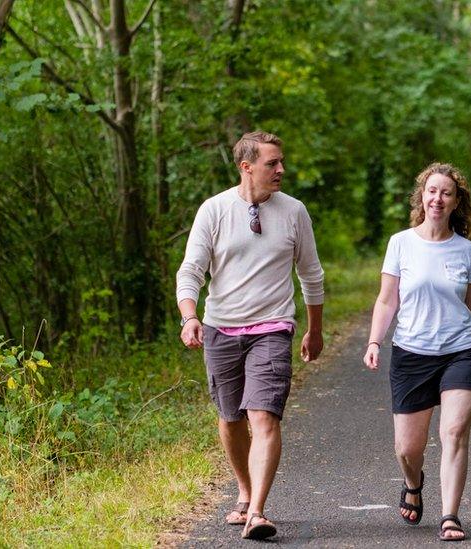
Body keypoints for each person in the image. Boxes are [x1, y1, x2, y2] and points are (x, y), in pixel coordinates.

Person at [176, 131, 325, 540]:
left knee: (264, 415)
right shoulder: (214, 210)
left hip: (273, 328)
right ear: (247, 167)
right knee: (231, 417)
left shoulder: (294, 212)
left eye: (281, 162)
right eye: (272, 163)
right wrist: (190, 317)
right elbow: (191, 271)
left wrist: (314, 328)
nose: (281, 170)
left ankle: (258, 510)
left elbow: (310, 274)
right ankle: (243, 490)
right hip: (221, 326)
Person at [363, 163, 471, 542]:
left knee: (453, 432)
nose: (438, 199)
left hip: (460, 351)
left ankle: (450, 515)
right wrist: (374, 341)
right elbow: (387, 300)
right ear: (422, 197)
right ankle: (413, 482)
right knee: (407, 447)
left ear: (455, 203)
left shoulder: (465, 249)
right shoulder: (401, 243)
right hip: (412, 353)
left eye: (446, 193)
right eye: (432, 191)